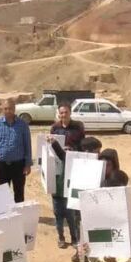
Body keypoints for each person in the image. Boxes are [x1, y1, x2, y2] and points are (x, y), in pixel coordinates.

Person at [48, 103, 84, 250]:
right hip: (57, 170)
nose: (63, 115)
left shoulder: (78, 127)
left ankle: (75, 238)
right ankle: (61, 237)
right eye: (61, 113)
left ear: (70, 113)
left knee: (71, 208)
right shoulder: (54, 128)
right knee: (58, 209)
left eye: (66, 112)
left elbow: (82, 146)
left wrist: (72, 149)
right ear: (59, 114)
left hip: (72, 168)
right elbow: (49, 148)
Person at [0, 99, 31, 203]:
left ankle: (19, 216)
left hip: (18, 165)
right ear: (2, 109)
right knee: (2, 194)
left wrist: (28, 164)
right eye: (5, 108)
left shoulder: (23, 125)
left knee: (19, 193)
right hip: (2, 165)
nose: (8, 111)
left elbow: (27, 145)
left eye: (10, 108)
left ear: (14, 109)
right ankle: (5, 216)